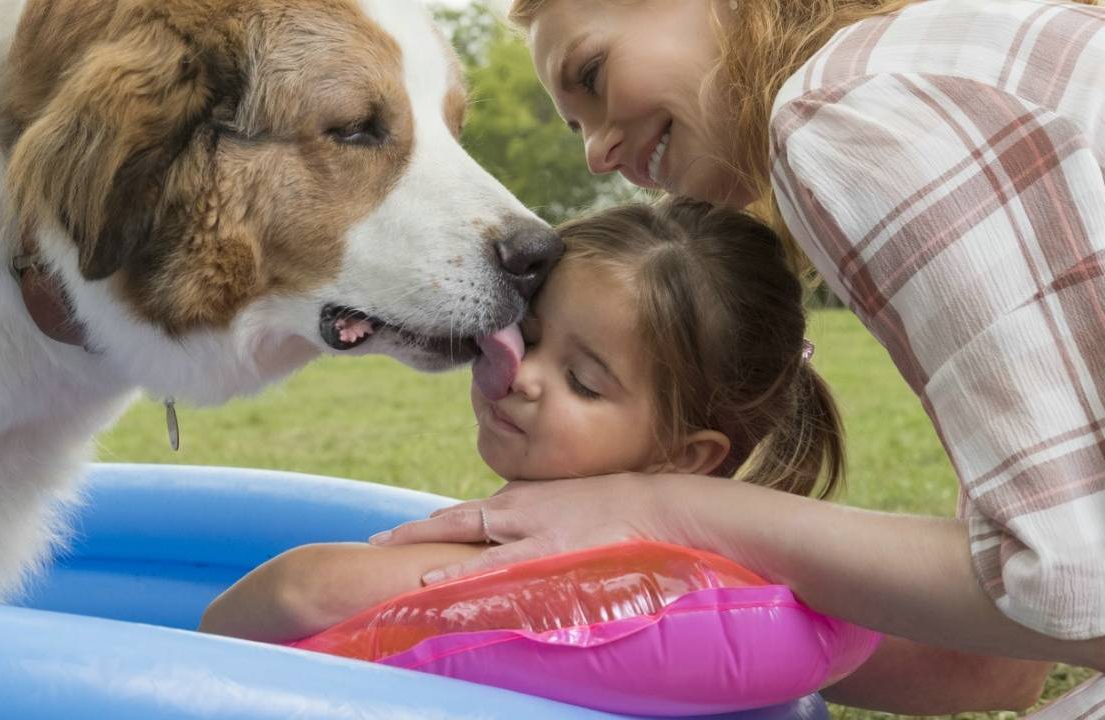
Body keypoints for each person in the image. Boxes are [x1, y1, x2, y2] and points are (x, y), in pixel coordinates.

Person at [373, 0, 1105, 715]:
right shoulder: (937, 50)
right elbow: (996, 665)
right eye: (577, 125)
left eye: (593, 74)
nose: (595, 153)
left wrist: (666, 509)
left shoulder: (848, 111)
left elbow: (1069, 592)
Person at [201, 197, 846, 644]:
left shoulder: (607, 567)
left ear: (684, 458)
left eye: (583, 383)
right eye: (528, 336)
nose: (526, 375)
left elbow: (298, 592)